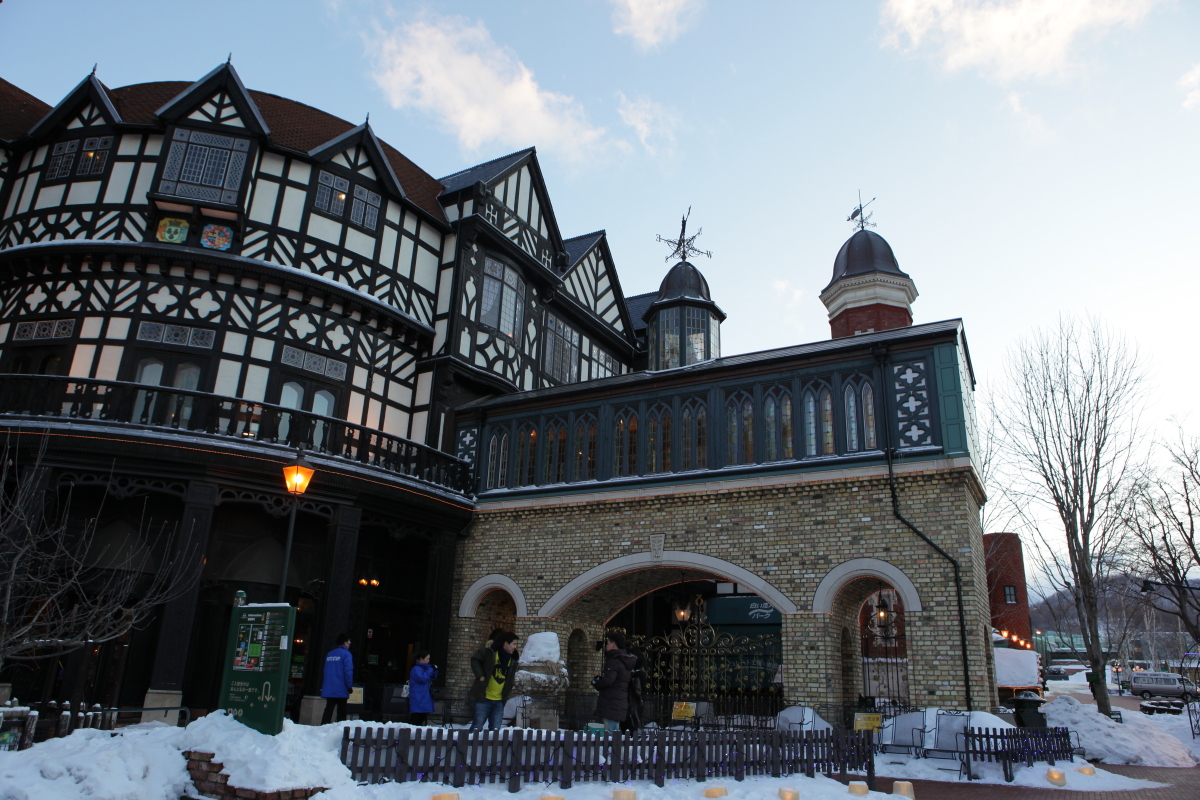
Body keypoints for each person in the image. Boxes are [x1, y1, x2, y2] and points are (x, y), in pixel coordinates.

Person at [469, 630, 519, 730]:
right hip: (484, 698)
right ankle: (470, 740)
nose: (515, 647)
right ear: (506, 644)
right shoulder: (490, 653)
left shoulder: (512, 660)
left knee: (495, 729)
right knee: (477, 726)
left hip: (499, 701)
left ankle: (491, 742)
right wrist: (480, 676)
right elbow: (475, 660)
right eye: (513, 644)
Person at [591, 632, 636, 731]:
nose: (606, 646)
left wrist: (596, 683)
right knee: (614, 731)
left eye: (607, 643)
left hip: (611, 702)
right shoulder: (624, 660)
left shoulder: (614, 661)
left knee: (610, 733)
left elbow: (608, 681)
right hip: (619, 701)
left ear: (613, 644)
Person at [320, 633, 354, 724]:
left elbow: (325, 670)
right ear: (345, 642)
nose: (349, 644)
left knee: (329, 709)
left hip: (329, 687)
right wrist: (349, 687)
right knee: (341, 711)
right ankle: (341, 728)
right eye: (349, 642)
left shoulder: (330, 654)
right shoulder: (346, 654)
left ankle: (323, 727)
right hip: (341, 687)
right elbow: (348, 672)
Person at [408, 650, 437, 726]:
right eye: (427, 659)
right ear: (421, 659)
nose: (428, 661)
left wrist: (434, 670)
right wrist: (431, 669)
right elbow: (423, 678)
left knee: (422, 717)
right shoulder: (416, 669)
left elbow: (432, 677)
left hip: (423, 696)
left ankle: (417, 732)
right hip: (418, 697)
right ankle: (410, 731)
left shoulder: (425, 669)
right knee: (416, 718)